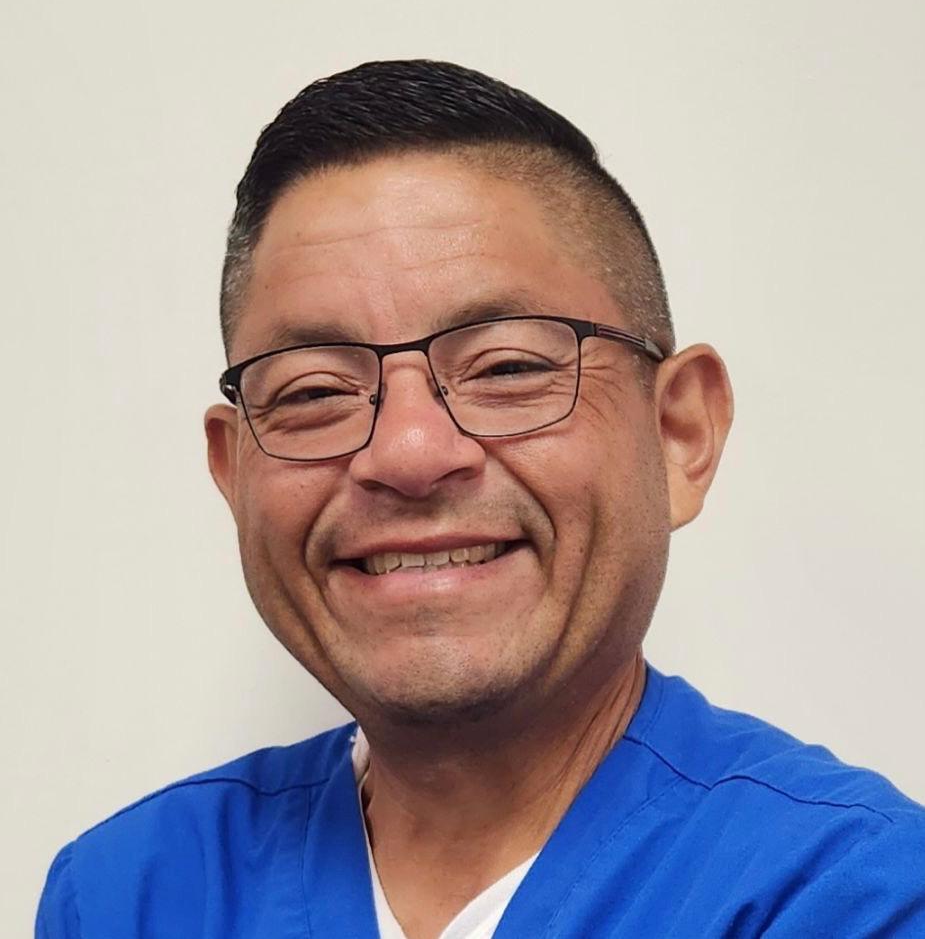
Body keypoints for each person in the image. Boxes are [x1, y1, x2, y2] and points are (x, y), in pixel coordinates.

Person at [37, 60, 925, 939]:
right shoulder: (131, 894)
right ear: (234, 476)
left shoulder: (850, 897)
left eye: (507, 367)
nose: (409, 453)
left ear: (678, 434)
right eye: (313, 391)